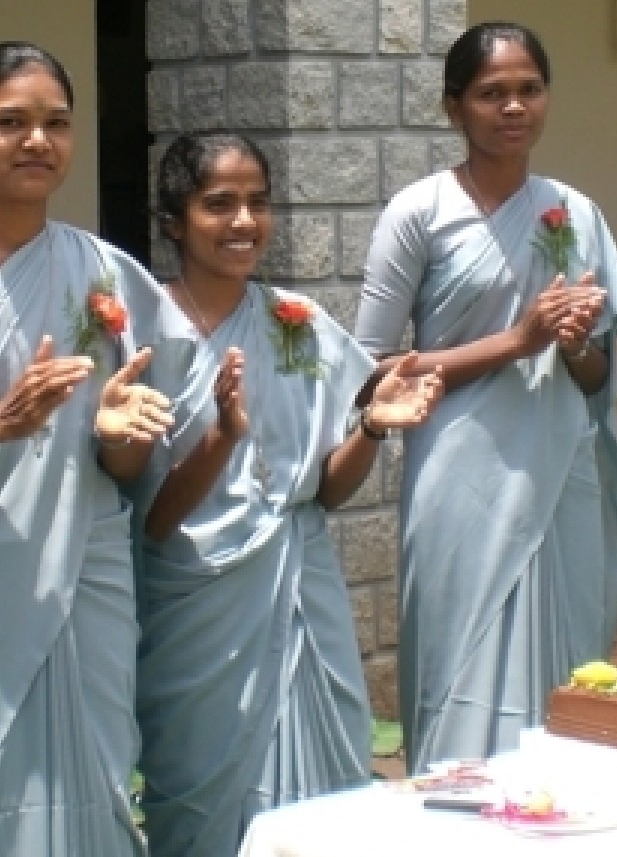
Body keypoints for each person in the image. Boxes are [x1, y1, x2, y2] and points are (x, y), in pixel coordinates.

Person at [0, 42, 214, 857]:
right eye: (11, 122)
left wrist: (117, 437)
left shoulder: (109, 275)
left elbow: (133, 465)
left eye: (56, 123)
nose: (37, 141)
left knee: (95, 780)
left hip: (87, 569)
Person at [135, 134, 444, 856]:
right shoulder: (144, 332)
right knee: (199, 798)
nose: (244, 221)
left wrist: (371, 425)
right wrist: (221, 439)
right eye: (219, 204)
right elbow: (149, 520)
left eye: (257, 202)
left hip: (304, 591)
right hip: (193, 607)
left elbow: (326, 494)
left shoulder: (296, 323)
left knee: (323, 805)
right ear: (174, 220)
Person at [354, 21, 617, 774]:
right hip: (460, 471)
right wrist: (516, 341)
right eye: (491, 94)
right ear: (454, 107)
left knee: (566, 669)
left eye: (529, 90)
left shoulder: (576, 214)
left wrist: (574, 342)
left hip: (560, 471)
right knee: (460, 660)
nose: (514, 107)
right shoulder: (419, 213)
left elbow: (598, 376)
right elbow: (374, 370)